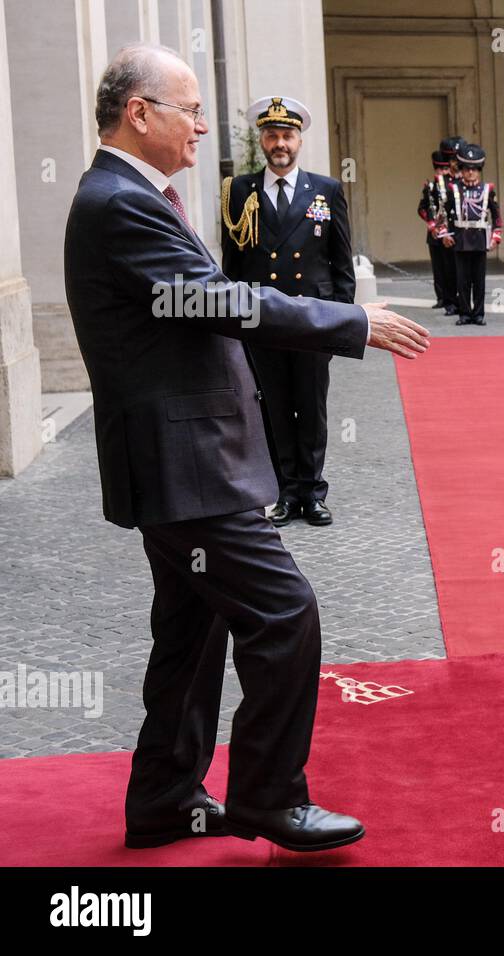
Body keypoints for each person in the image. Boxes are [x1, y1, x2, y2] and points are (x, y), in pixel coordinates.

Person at [67, 43, 429, 852]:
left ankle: (164, 795)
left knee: (192, 634)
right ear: (139, 114)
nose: (201, 125)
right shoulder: (118, 201)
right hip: (186, 463)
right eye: (188, 109)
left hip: (183, 459)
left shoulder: (129, 194)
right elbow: (217, 301)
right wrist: (352, 323)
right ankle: (269, 796)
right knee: (284, 614)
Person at [221, 96, 352, 529]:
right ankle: (283, 494)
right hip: (263, 320)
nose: (280, 143)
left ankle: (312, 493)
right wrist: (233, 323)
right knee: (273, 408)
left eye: (287, 135)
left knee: (311, 409)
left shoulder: (327, 190)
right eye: (272, 135)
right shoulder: (240, 191)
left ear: (299, 140)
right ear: (261, 139)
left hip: (312, 318)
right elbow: (233, 266)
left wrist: (341, 324)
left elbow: (341, 265)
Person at [438, 142, 501, 325]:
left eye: (474, 169)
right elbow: (442, 215)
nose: (470, 173)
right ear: (461, 169)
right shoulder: (454, 190)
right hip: (461, 238)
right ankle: (465, 313)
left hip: (480, 238)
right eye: (466, 169)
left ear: (479, 170)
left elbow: (496, 215)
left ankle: (479, 313)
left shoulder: (487, 189)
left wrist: (496, 235)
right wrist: (444, 233)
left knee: (479, 280)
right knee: (462, 280)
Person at [418, 142, 455, 313]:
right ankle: (441, 297)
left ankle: (451, 300)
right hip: (434, 233)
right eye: (440, 170)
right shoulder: (430, 186)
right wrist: (432, 225)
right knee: (438, 269)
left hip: (449, 232)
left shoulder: (452, 186)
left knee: (450, 268)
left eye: (445, 169)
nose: (443, 173)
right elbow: (422, 208)